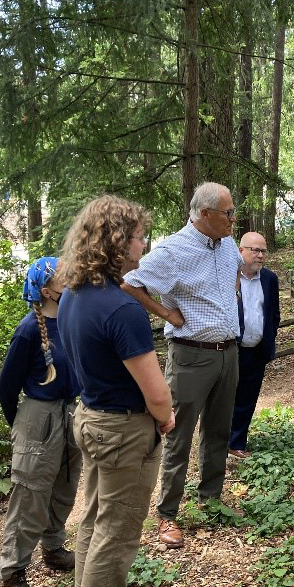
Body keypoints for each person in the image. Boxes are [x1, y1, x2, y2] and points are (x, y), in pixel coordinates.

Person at [57, 195, 174, 587]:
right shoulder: (120, 308)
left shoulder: (73, 295)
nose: (144, 242)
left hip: (91, 418)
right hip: (124, 430)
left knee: (95, 518)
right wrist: (164, 416)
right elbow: (157, 390)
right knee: (119, 530)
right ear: (117, 241)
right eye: (139, 235)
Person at [122, 181, 243, 549]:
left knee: (219, 429)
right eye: (228, 213)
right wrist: (165, 313)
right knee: (178, 433)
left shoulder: (229, 245)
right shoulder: (173, 250)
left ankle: (211, 497)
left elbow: (235, 272)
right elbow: (130, 283)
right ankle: (167, 514)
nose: (233, 219)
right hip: (192, 355)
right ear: (204, 214)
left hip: (229, 352)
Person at [0, 257, 82, 587]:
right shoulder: (29, 330)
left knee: (65, 484)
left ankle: (54, 548)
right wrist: (22, 425)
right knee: (30, 494)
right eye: (65, 278)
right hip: (37, 414)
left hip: (71, 411)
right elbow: (7, 385)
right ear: (46, 290)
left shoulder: (73, 320)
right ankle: (12, 577)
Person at [228, 232, 280, 460]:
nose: (260, 255)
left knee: (247, 399)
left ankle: (236, 443)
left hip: (256, 350)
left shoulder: (269, 279)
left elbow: (273, 315)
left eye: (263, 251)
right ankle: (216, 443)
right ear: (241, 251)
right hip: (230, 349)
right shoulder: (229, 277)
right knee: (225, 398)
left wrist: (268, 339)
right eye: (255, 250)